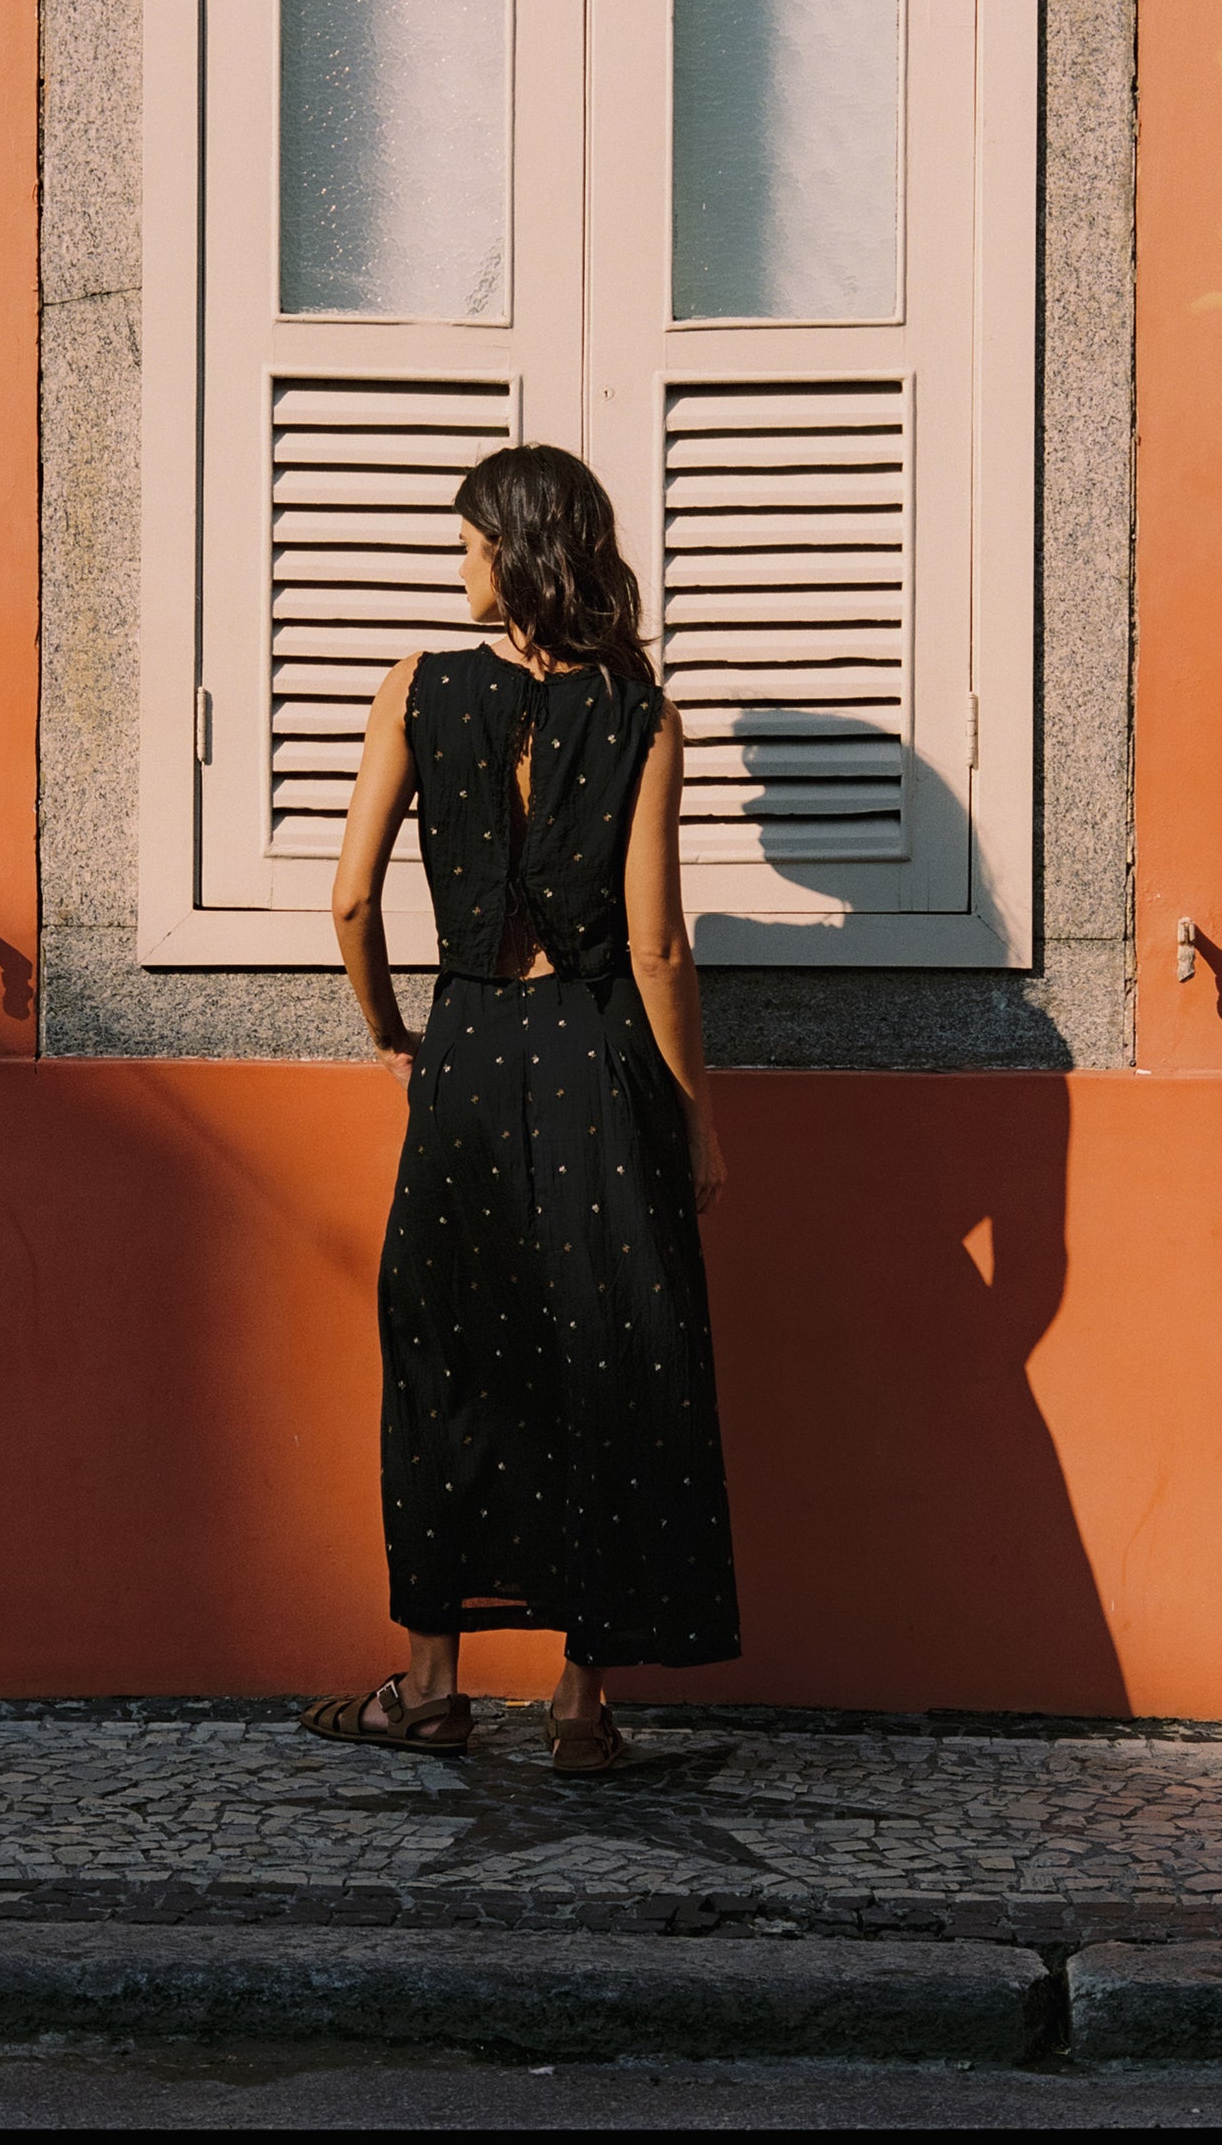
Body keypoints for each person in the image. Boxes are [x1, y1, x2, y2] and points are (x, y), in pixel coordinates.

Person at [302, 445, 740, 1774]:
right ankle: (578, 1708)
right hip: (602, 1061)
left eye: (468, 544)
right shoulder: (642, 712)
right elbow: (657, 946)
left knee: (446, 1354)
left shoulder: (417, 688)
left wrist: (392, 1035)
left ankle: (431, 1687)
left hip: (471, 1058)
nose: (459, 567)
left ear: (516, 552)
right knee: (612, 1360)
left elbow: (349, 899)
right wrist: (697, 1119)